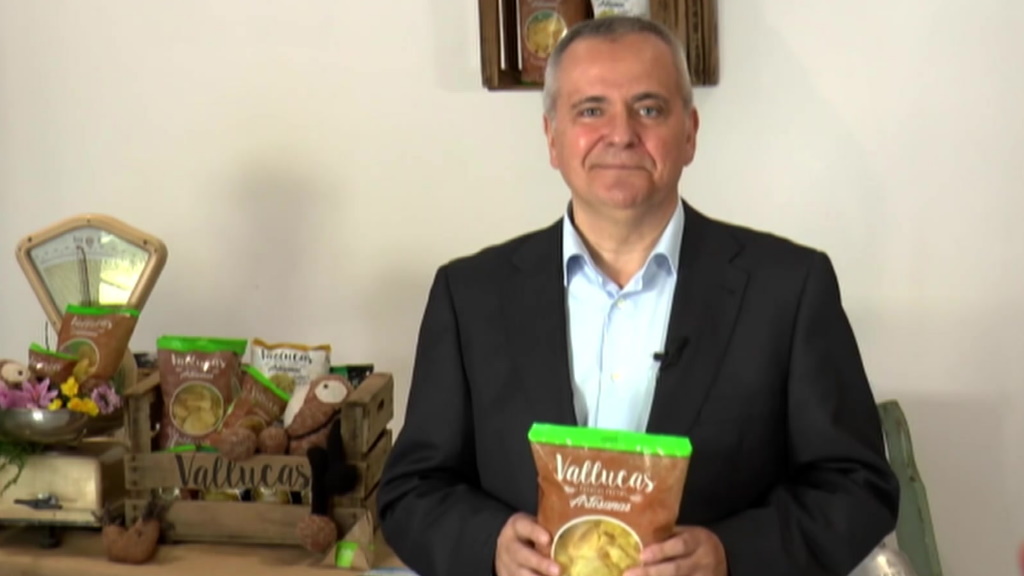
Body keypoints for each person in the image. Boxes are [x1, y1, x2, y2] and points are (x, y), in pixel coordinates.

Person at [377, 15, 899, 576]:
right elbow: (412, 490)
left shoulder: (789, 288)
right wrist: (490, 546)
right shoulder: (469, 295)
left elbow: (858, 487)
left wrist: (730, 555)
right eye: (591, 110)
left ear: (690, 133)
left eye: (648, 109)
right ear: (552, 138)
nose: (621, 134)